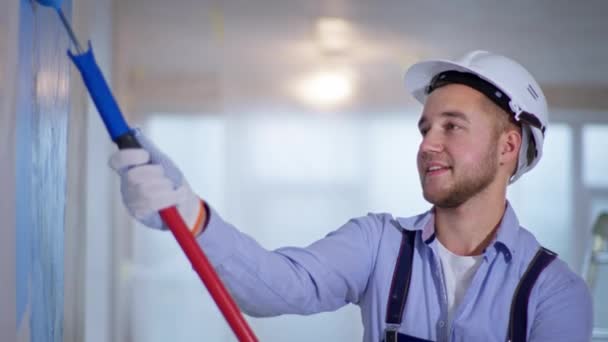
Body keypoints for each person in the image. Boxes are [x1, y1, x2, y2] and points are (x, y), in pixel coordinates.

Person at [109, 50, 593, 342]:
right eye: (425, 128)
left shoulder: (554, 293)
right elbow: (274, 285)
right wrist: (189, 212)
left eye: (452, 127)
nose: (427, 144)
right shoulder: (377, 243)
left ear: (508, 146)